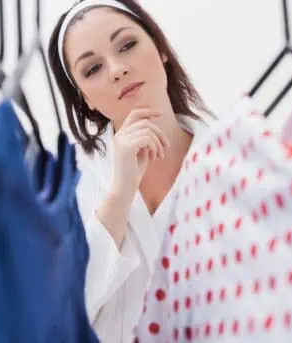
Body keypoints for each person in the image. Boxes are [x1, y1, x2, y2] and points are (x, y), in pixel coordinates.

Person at [48, 0, 215, 341]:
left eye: (127, 45)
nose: (116, 69)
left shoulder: (229, 159)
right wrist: (120, 194)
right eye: (92, 68)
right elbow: (60, 311)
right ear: (85, 99)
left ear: (161, 48)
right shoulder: (68, 181)